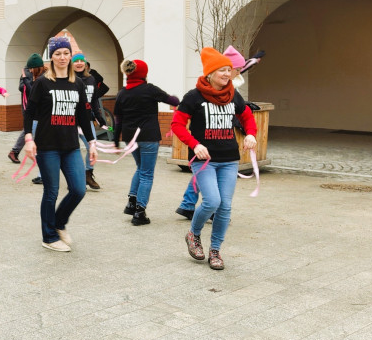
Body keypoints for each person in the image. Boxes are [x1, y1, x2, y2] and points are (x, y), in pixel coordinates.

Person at [171, 48, 257, 271]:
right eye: (222, 70)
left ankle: (215, 250)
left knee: (225, 207)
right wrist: (195, 144)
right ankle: (194, 234)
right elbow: (177, 125)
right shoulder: (193, 97)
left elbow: (246, 116)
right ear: (210, 73)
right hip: (204, 160)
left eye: (229, 70)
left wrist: (250, 134)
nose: (227, 74)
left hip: (229, 159)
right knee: (212, 201)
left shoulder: (232, 95)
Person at [22, 36, 98, 252]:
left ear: (70, 56)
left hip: (71, 145)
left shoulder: (78, 84)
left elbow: (84, 115)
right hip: (47, 146)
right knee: (51, 191)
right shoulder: (43, 83)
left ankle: (58, 223)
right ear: (51, 57)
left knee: (78, 189)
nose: (63, 57)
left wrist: (92, 142)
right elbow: (29, 113)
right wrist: (28, 138)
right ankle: (49, 237)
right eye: (58, 54)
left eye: (66, 53)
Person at [112, 60, 179, 226]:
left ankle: (131, 202)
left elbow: (118, 120)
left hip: (130, 138)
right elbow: (173, 101)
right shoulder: (150, 90)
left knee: (141, 169)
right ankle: (139, 212)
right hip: (148, 136)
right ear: (144, 73)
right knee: (147, 174)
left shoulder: (122, 93)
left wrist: (115, 140)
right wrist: (176, 98)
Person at [70, 54, 108, 190]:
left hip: (87, 120)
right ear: (71, 64)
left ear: (85, 63)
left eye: (81, 61)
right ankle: (75, 178)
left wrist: (100, 118)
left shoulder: (91, 79)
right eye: (76, 61)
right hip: (71, 121)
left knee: (92, 147)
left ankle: (88, 173)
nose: (79, 63)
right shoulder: (68, 78)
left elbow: (94, 101)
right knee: (72, 150)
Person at [8, 54, 45, 164]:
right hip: (29, 106)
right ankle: (15, 151)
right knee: (29, 129)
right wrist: (26, 81)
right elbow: (22, 88)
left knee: (33, 130)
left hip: (41, 107)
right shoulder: (27, 72)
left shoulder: (45, 74)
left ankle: (16, 151)